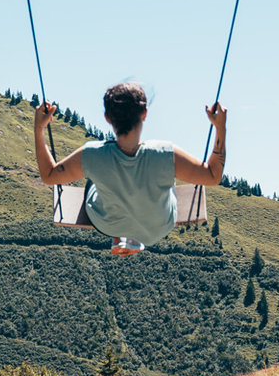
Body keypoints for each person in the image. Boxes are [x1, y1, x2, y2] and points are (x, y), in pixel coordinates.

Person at [35, 82, 227, 255]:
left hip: (107, 224)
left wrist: (38, 129)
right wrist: (220, 128)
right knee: (167, 177)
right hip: (158, 228)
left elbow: (49, 175)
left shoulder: (92, 154)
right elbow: (212, 175)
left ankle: (122, 235)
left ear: (107, 118)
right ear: (144, 113)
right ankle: (133, 230)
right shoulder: (166, 153)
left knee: (93, 176)